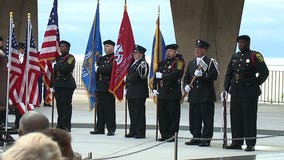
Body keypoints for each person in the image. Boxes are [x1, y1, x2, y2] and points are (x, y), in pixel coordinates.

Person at [224, 35, 269, 151]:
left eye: (242, 43)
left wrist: (255, 83)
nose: (240, 45)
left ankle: (250, 143)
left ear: (248, 43)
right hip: (236, 93)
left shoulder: (255, 55)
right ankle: (236, 142)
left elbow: (264, 72)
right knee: (236, 118)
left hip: (249, 94)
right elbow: (229, 73)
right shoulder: (235, 56)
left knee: (249, 119)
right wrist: (225, 88)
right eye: (239, 43)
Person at [183, 40, 219, 147]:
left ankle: (206, 139)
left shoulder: (210, 62)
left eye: (200, 48)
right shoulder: (191, 63)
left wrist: (203, 75)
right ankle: (196, 137)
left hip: (206, 96)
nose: (197, 51)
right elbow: (186, 77)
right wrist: (186, 86)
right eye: (196, 48)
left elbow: (214, 76)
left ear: (205, 50)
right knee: (194, 118)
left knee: (207, 119)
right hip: (194, 96)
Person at [152, 44, 185, 142]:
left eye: (170, 51)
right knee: (162, 116)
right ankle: (164, 134)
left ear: (175, 52)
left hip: (172, 94)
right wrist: (154, 88)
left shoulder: (179, 62)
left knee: (173, 116)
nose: (168, 53)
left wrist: (163, 76)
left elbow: (177, 74)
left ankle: (172, 135)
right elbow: (156, 77)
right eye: (167, 51)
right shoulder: (162, 63)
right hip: (162, 93)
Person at [91, 40, 116, 136]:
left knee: (109, 109)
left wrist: (99, 69)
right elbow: (97, 73)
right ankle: (99, 128)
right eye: (105, 46)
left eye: (108, 46)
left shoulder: (115, 59)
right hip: (100, 86)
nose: (106, 48)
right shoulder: (101, 59)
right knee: (100, 109)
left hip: (108, 87)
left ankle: (111, 129)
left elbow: (109, 70)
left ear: (113, 47)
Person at [124, 45, 149, 139]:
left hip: (139, 92)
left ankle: (140, 132)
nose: (134, 54)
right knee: (133, 112)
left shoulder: (143, 63)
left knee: (139, 113)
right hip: (132, 92)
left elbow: (141, 75)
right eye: (134, 53)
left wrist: (128, 78)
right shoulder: (134, 63)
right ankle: (133, 130)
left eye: (136, 53)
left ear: (141, 54)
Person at [53, 40, 76, 132]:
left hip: (67, 85)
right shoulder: (58, 58)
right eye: (61, 47)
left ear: (68, 48)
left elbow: (66, 68)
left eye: (64, 47)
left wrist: (56, 66)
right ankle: (60, 124)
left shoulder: (71, 58)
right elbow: (55, 72)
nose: (62, 48)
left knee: (66, 105)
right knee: (59, 105)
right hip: (58, 85)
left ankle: (66, 125)